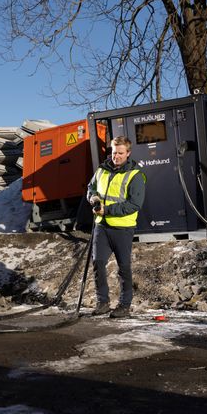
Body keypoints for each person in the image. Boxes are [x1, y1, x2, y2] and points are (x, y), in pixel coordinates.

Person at [86, 135, 146, 318]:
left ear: (128, 153)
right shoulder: (102, 170)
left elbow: (135, 204)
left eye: (120, 153)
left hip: (122, 229)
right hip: (101, 227)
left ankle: (124, 305)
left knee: (124, 268)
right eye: (114, 153)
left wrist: (108, 210)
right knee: (98, 263)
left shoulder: (135, 175)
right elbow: (91, 188)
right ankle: (102, 302)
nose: (116, 157)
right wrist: (94, 199)